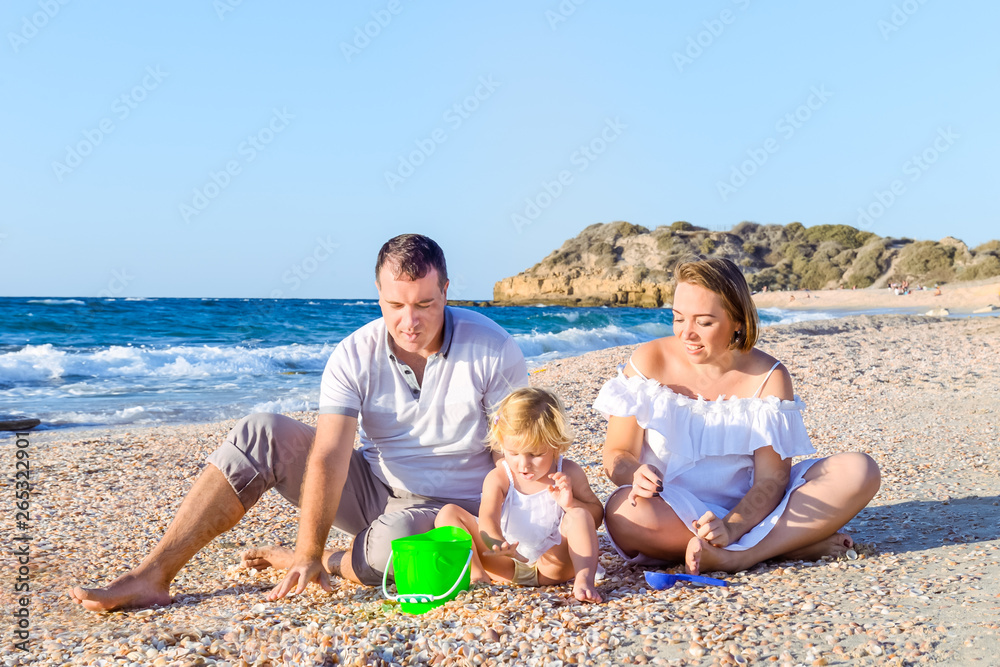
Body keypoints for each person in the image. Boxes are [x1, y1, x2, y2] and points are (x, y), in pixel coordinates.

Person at [71, 234, 529, 611]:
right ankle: (153, 575)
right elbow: (329, 454)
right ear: (378, 295)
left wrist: (505, 532)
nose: (409, 321)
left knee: (402, 541)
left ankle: (333, 560)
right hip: (376, 491)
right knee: (261, 432)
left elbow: (509, 455)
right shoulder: (355, 353)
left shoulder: (492, 347)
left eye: (425, 304)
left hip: (461, 508)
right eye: (395, 305)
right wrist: (305, 550)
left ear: (446, 290)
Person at [597, 258, 880, 575]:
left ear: (737, 321)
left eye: (703, 322)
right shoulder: (647, 361)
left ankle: (740, 555)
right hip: (667, 511)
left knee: (860, 470)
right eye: (678, 318)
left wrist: (732, 527)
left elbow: (772, 480)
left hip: (751, 512)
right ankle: (781, 547)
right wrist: (633, 473)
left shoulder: (769, 376)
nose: (686, 334)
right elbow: (617, 454)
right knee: (621, 513)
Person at [434, 387, 604, 603]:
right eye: (513, 453)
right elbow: (487, 518)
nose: (523, 464)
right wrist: (497, 544)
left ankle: (584, 581)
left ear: (556, 446)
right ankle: (477, 576)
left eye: (535, 454)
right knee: (448, 514)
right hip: (506, 564)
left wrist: (571, 504)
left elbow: (596, 516)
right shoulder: (500, 477)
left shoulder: (568, 472)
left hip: (554, 565)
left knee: (579, 515)